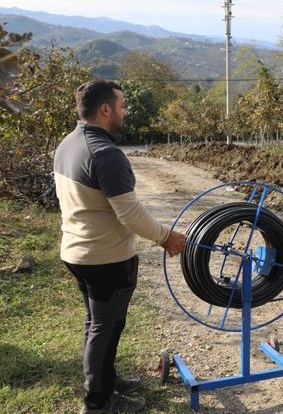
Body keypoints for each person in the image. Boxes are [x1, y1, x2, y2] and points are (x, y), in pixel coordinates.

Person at [53, 79, 186, 414]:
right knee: (104, 326)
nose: (126, 112)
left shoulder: (68, 143)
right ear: (105, 109)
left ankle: (105, 381)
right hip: (104, 257)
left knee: (98, 323)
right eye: (123, 106)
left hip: (78, 251)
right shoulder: (106, 154)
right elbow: (130, 213)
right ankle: (97, 402)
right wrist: (166, 237)